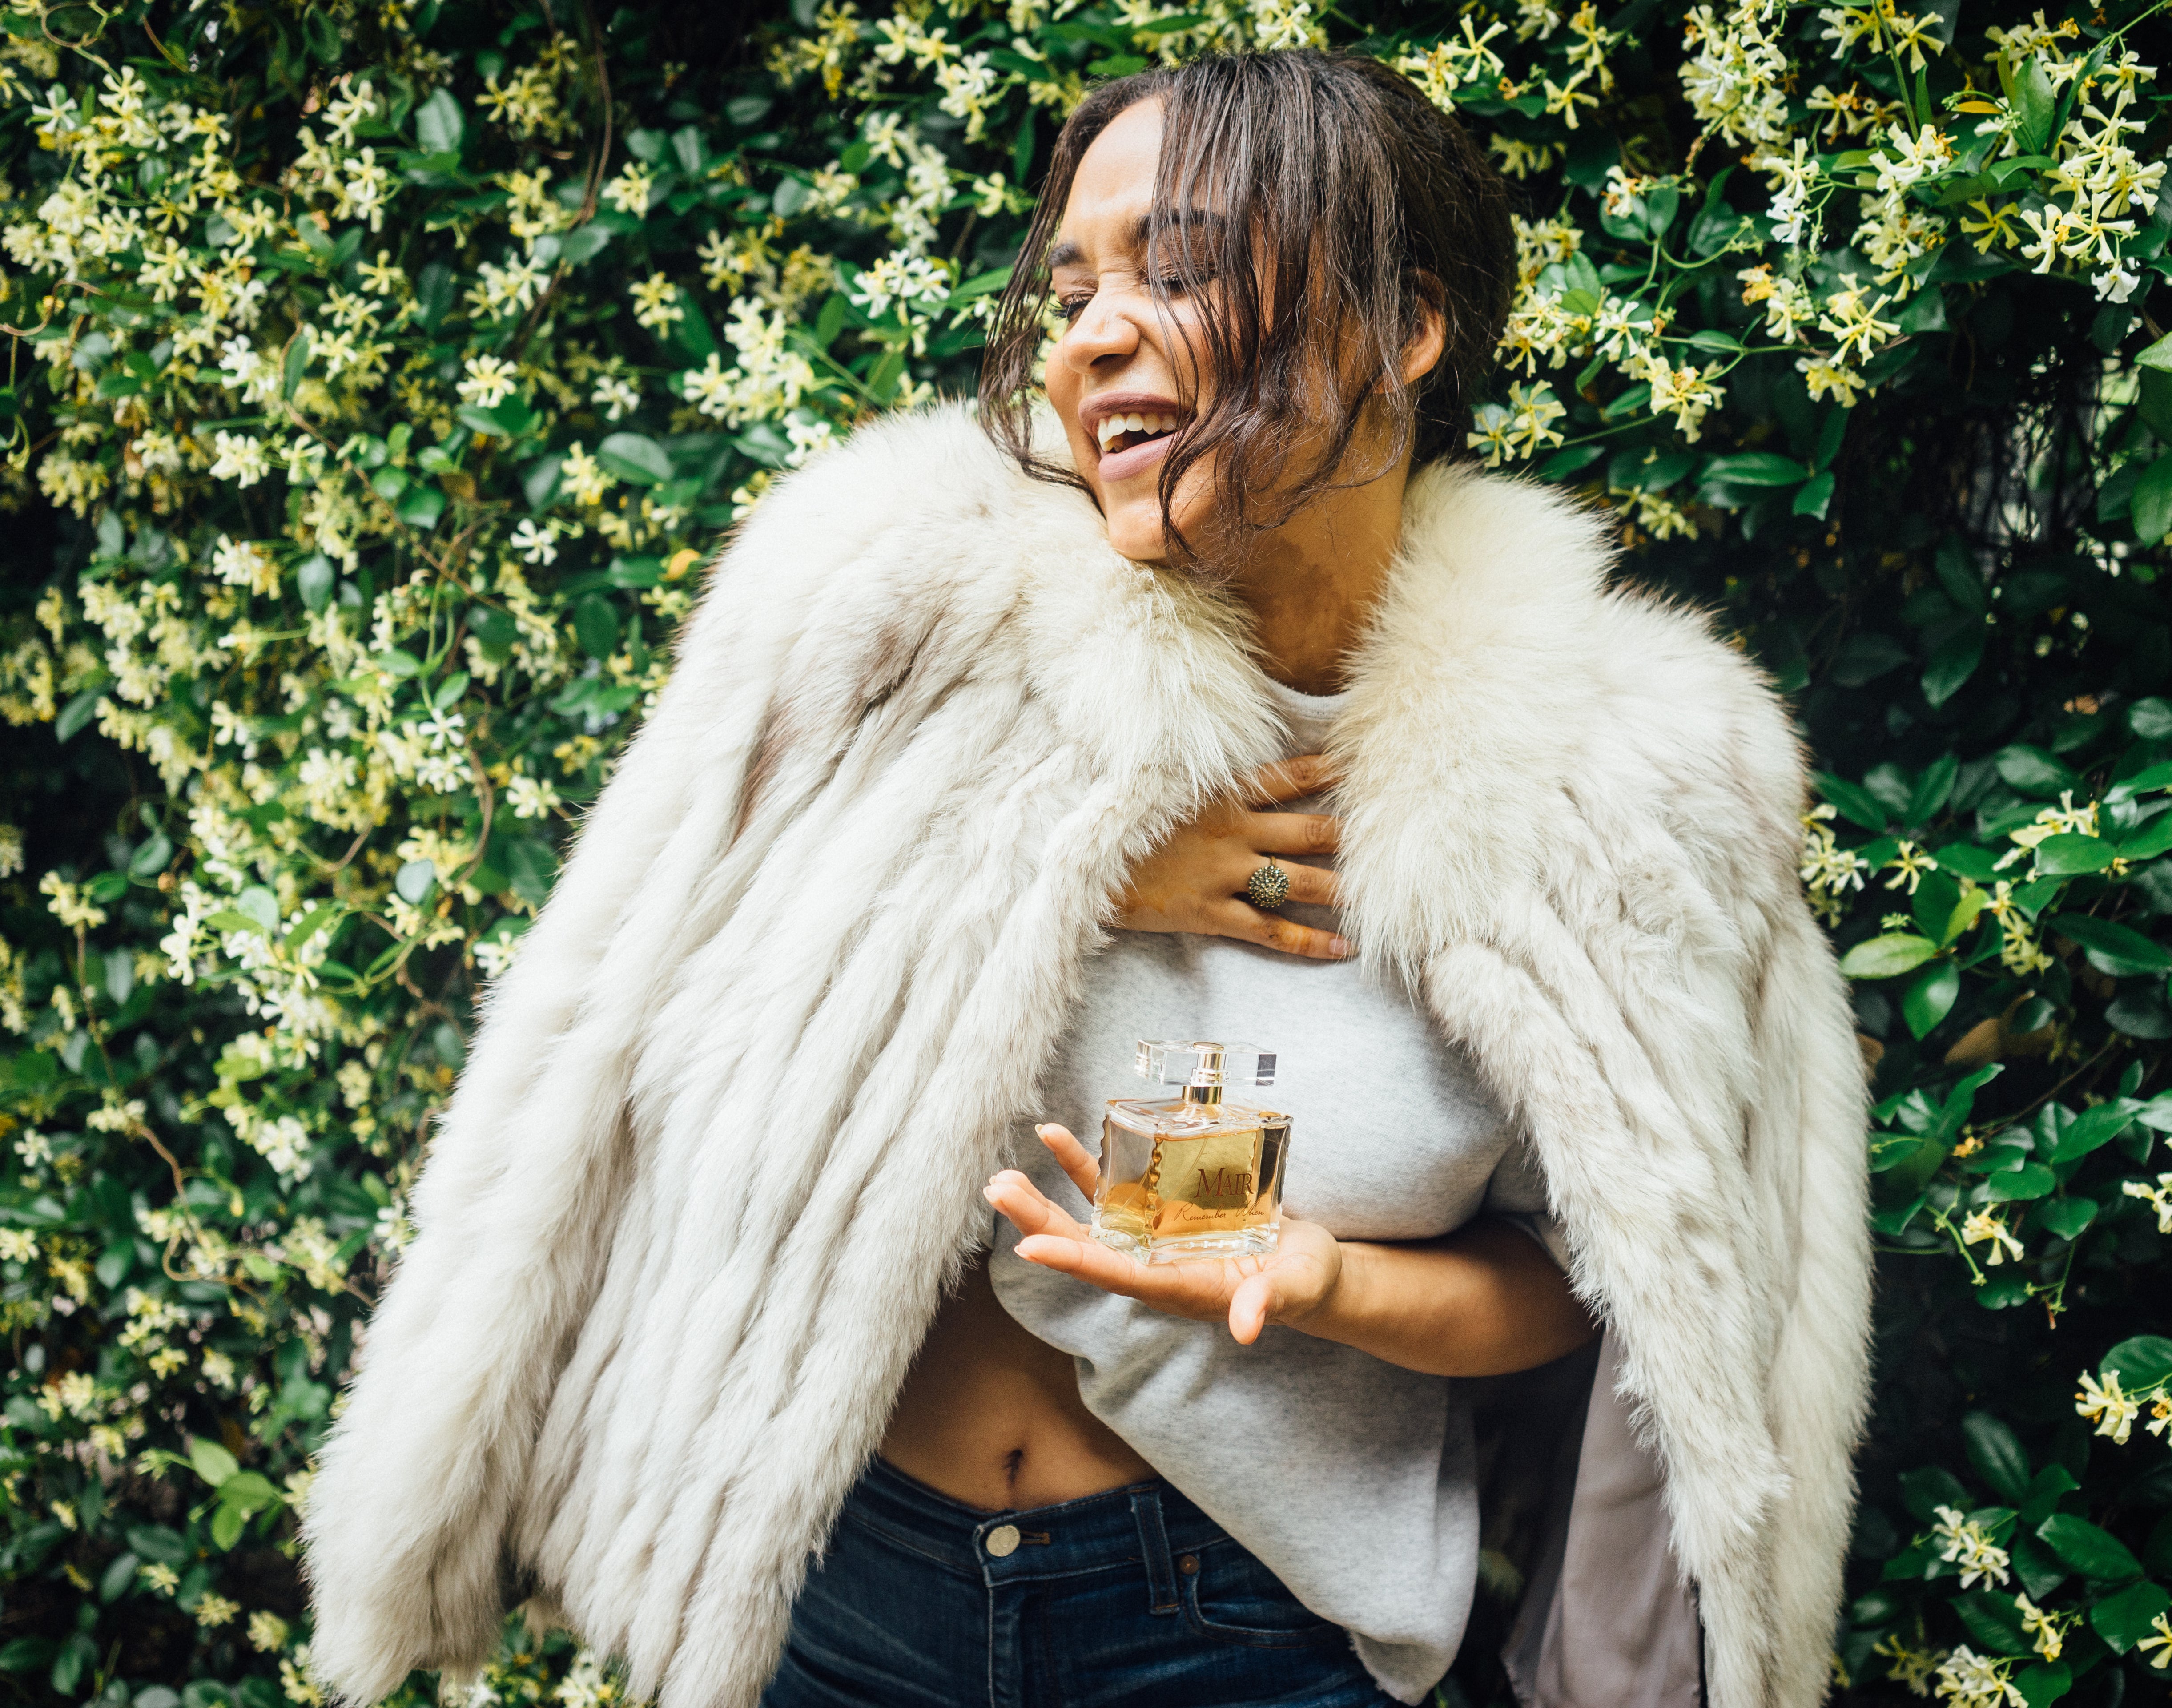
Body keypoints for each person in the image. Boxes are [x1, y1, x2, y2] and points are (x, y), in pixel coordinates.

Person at [302, 48, 1872, 1708]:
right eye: (1076, 287)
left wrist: (1328, 1282)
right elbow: (626, 1021)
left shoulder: (1617, 782)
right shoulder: (914, 613)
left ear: (1407, 328)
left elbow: (1610, 1300)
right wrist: (1061, 865)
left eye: (1179, 271)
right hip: (844, 1586)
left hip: (1257, 1634)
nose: (1095, 334)